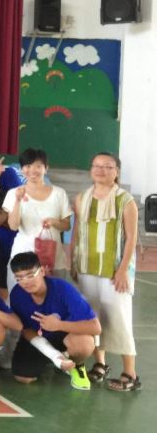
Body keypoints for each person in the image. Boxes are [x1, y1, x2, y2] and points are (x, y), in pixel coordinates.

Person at [71, 151, 140, 392]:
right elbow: (77, 232)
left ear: (116, 172)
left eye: (107, 167)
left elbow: (131, 237)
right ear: (91, 170)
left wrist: (122, 270)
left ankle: (130, 373)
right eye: (97, 166)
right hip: (87, 267)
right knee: (93, 317)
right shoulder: (82, 198)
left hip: (114, 271)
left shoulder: (125, 200)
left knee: (119, 318)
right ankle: (100, 364)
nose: (101, 170)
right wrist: (73, 262)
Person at [8, 252, 98, 390]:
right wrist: (54, 356)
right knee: (23, 377)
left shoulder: (63, 289)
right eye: (19, 278)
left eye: (30, 275)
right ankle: (59, 360)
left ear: (42, 271)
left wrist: (59, 325)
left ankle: (76, 365)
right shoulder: (17, 295)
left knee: (84, 344)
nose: (25, 282)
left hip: (66, 335)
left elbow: (95, 327)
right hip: (40, 337)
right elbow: (26, 330)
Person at [4, 148, 72, 285]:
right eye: (28, 166)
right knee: (21, 295)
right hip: (23, 255)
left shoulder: (59, 193)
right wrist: (18, 200)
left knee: (54, 293)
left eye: (38, 166)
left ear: (46, 169)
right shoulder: (14, 193)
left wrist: (54, 222)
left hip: (53, 256)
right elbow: (13, 226)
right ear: (22, 169)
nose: (32, 170)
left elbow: (66, 225)